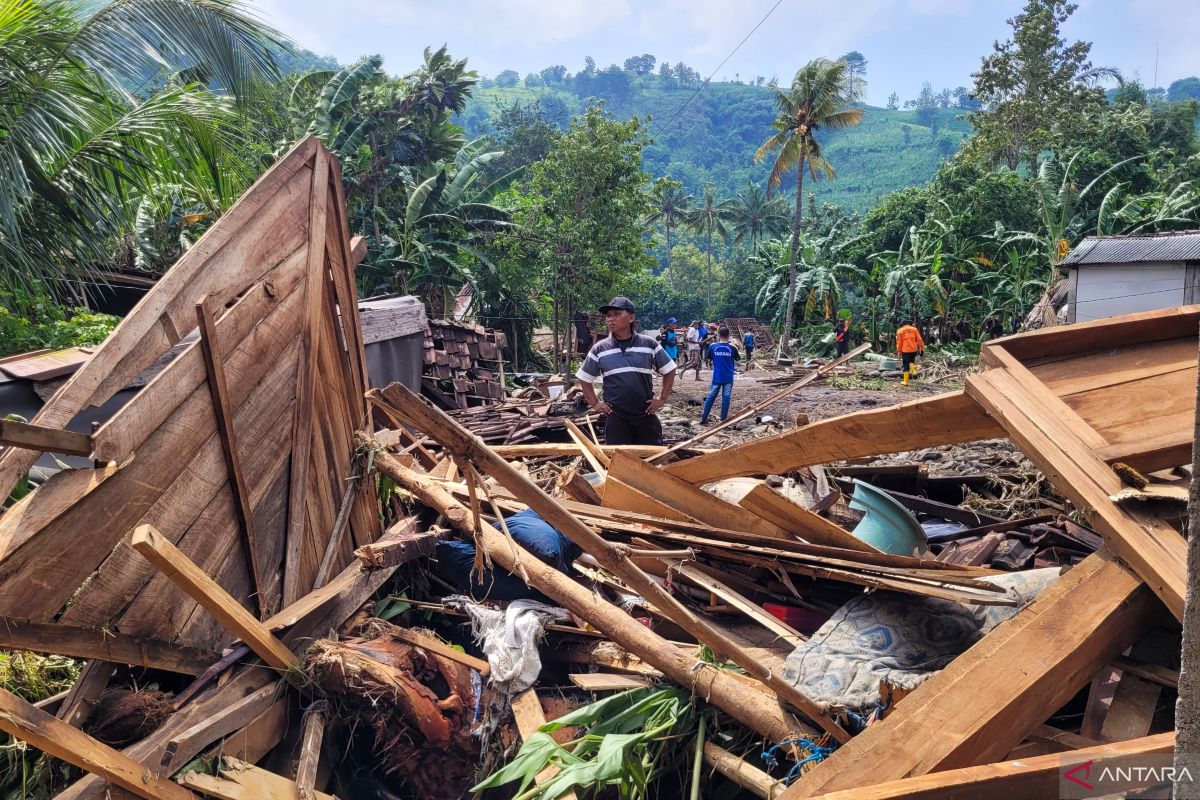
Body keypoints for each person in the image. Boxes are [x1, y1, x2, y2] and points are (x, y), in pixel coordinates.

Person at [576, 296, 676, 444]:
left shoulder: (648, 344)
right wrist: (595, 403)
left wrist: (662, 398)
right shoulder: (600, 348)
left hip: (645, 414)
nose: (611, 319)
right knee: (619, 461)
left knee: (650, 460)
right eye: (609, 315)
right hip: (616, 418)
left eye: (617, 314)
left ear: (631, 318)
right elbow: (584, 378)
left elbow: (669, 369)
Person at [701, 326, 740, 424]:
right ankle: (723, 419)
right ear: (729, 335)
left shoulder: (713, 347)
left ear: (718, 335)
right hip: (728, 377)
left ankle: (703, 418)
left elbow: (708, 358)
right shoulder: (732, 348)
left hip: (717, 376)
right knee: (726, 397)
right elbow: (738, 359)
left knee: (710, 397)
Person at [896, 318, 925, 386]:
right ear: (908, 324)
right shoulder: (914, 329)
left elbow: (899, 343)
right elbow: (919, 339)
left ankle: (905, 382)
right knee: (911, 361)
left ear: (902, 325)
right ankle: (914, 371)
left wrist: (899, 351)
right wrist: (922, 347)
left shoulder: (900, 331)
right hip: (913, 350)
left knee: (906, 365)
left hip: (905, 350)